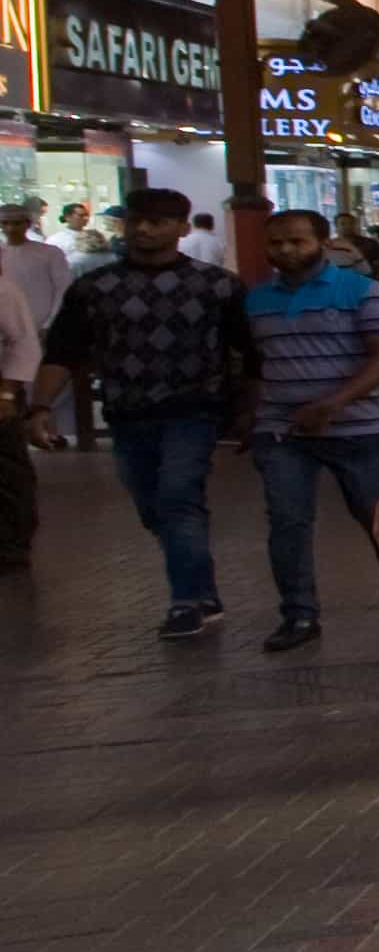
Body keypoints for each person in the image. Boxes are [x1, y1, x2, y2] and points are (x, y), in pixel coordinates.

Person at [33, 188, 254, 634]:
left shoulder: (217, 286)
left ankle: (186, 602)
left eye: (158, 222)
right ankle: (202, 588)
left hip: (194, 410)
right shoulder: (95, 288)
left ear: (182, 228)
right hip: (127, 413)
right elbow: (63, 351)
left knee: (177, 498)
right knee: (154, 507)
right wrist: (40, 406)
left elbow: (249, 351)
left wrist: (251, 408)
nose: (145, 229)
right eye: (137, 221)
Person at [239, 208, 379, 649]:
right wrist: (251, 414)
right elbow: (255, 364)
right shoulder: (257, 300)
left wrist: (335, 403)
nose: (285, 250)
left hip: (356, 428)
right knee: (288, 520)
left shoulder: (361, 291)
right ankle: (299, 615)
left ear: (321, 242)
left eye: (296, 241)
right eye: (276, 242)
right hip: (283, 431)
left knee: (372, 513)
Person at [0, 242, 38, 573]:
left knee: (7, 471)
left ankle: (11, 544)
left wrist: (7, 394)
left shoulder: (4, 291)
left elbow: (23, 342)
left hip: (1, 389)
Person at [1, 202, 66, 338]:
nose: (11, 228)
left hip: (44, 329)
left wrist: (49, 324)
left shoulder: (50, 253)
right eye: (5, 223)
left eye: (17, 223)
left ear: (27, 224)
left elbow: (63, 289)